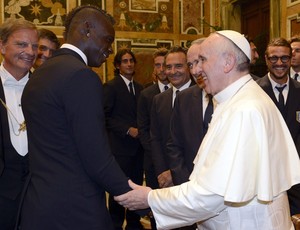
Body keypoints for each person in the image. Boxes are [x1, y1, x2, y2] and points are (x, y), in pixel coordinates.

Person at [115, 30, 300, 230]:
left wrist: (151, 198)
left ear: (228, 62)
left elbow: (212, 195)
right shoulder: (237, 99)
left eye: (203, 59)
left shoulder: (244, 110)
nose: (197, 70)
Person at [19, 5, 133, 230]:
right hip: (76, 210)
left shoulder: (39, 74)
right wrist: (140, 199)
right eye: (108, 40)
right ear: (87, 29)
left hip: (38, 207)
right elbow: (96, 156)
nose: (109, 50)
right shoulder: (81, 77)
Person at [0, 18, 38, 230]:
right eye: (22, 44)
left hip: (38, 191)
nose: (30, 51)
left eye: (34, 45)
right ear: (2, 45)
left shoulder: (45, 88)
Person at [256, 37, 300, 216]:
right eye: (274, 58)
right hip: (265, 177)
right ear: (266, 60)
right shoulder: (254, 91)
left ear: (291, 59)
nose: (279, 63)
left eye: (284, 58)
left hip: (297, 177)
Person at [104, 48, 144, 230]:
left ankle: (134, 225)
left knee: (136, 189)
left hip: (138, 150)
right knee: (119, 191)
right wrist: (127, 129)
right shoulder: (111, 87)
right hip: (120, 149)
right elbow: (104, 117)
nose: (129, 64)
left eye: (131, 60)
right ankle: (115, 225)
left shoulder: (141, 88)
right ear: (118, 66)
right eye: (125, 61)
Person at [150, 45, 194, 190]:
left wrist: (175, 174)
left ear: (189, 67)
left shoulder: (203, 95)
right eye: (168, 67)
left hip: (193, 177)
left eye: (178, 66)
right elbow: (155, 139)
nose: (173, 72)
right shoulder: (158, 100)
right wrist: (163, 173)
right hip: (164, 180)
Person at [137, 47, 170, 229]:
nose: (162, 69)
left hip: (177, 164)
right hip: (154, 163)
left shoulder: (184, 93)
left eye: (164, 65)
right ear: (154, 69)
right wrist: (159, 158)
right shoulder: (146, 94)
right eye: (158, 65)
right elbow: (143, 130)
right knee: (157, 210)